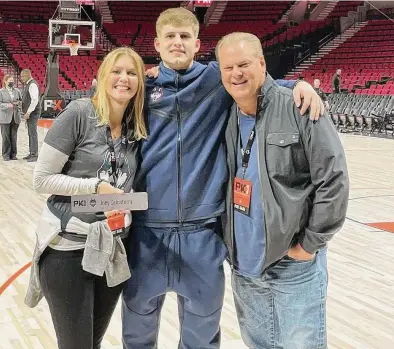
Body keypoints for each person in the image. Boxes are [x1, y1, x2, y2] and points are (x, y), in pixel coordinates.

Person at [122, 7, 325, 349]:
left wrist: (299, 84)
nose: (177, 42)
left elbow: (257, 80)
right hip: (146, 233)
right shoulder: (141, 87)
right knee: (137, 335)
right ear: (157, 44)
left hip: (203, 233)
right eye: (170, 36)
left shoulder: (216, 79)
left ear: (197, 43)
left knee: (202, 338)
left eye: (185, 36)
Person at [217, 32, 349, 349]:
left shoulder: (299, 107)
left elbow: (333, 179)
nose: (236, 73)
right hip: (245, 268)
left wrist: (311, 243)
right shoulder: (225, 113)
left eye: (245, 64)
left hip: (293, 264)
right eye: (228, 67)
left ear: (262, 64)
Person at [24, 47, 147, 349]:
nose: (124, 78)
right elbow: (41, 180)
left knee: (92, 342)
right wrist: (95, 188)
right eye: (116, 71)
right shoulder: (79, 113)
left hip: (112, 247)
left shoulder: (136, 126)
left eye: (132, 73)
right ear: (101, 77)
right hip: (67, 249)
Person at [0, 74, 22, 161]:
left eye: (12, 81)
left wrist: (18, 103)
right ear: (5, 82)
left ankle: (13, 155)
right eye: (10, 81)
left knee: (14, 137)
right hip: (5, 117)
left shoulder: (17, 91)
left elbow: (21, 101)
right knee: (6, 137)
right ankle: (6, 155)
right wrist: (8, 105)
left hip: (15, 117)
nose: (12, 82)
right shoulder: (0, 92)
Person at [20, 69, 41, 162]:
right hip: (30, 112)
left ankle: (34, 154)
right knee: (30, 133)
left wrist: (28, 112)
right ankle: (31, 152)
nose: (21, 78)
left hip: (33, 112)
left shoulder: (32, 84)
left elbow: (34, 100)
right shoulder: (29, 84)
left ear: (28, 75)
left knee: (32, 133)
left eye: (22, 76)